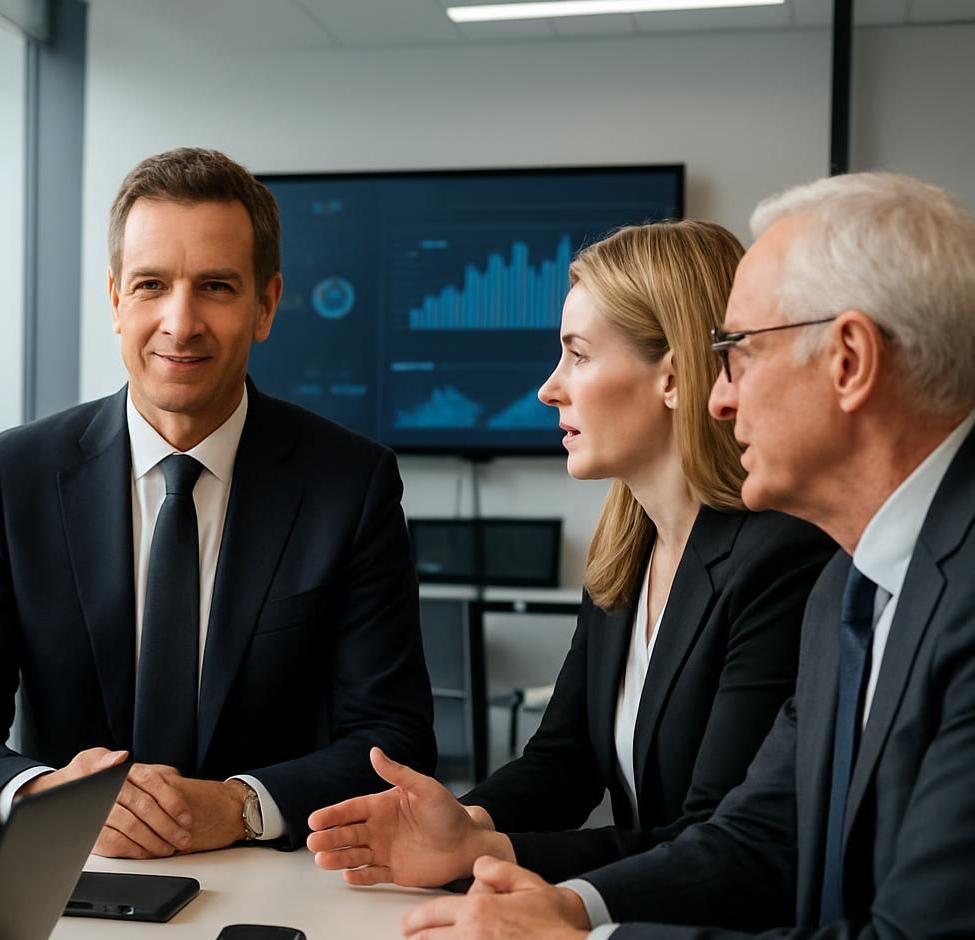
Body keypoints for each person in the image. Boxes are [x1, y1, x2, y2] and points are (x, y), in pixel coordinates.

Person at [379, 172, 975, 940]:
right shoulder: (855, 580)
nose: (720, 393)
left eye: (739, 353)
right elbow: (761, 835)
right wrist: (568, 908)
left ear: (847, 361)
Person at [0, 147, 435, 857]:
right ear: (116, 301)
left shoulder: (350, 484)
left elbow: (393, 737)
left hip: (268, 885)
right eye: (152, 285)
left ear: (266, 305)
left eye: (215, 286)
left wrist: (239, 806)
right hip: (66, 878)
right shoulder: (18, 473)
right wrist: (40, 793)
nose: (180, 323)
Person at [307, 220, 834, 887]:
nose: (549, 388)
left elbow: (714, 839)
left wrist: (490, 857)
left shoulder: (779, 562)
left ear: (672, 376)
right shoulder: (625, 550)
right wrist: (464, 823)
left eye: (578, 355)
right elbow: (565, 760)